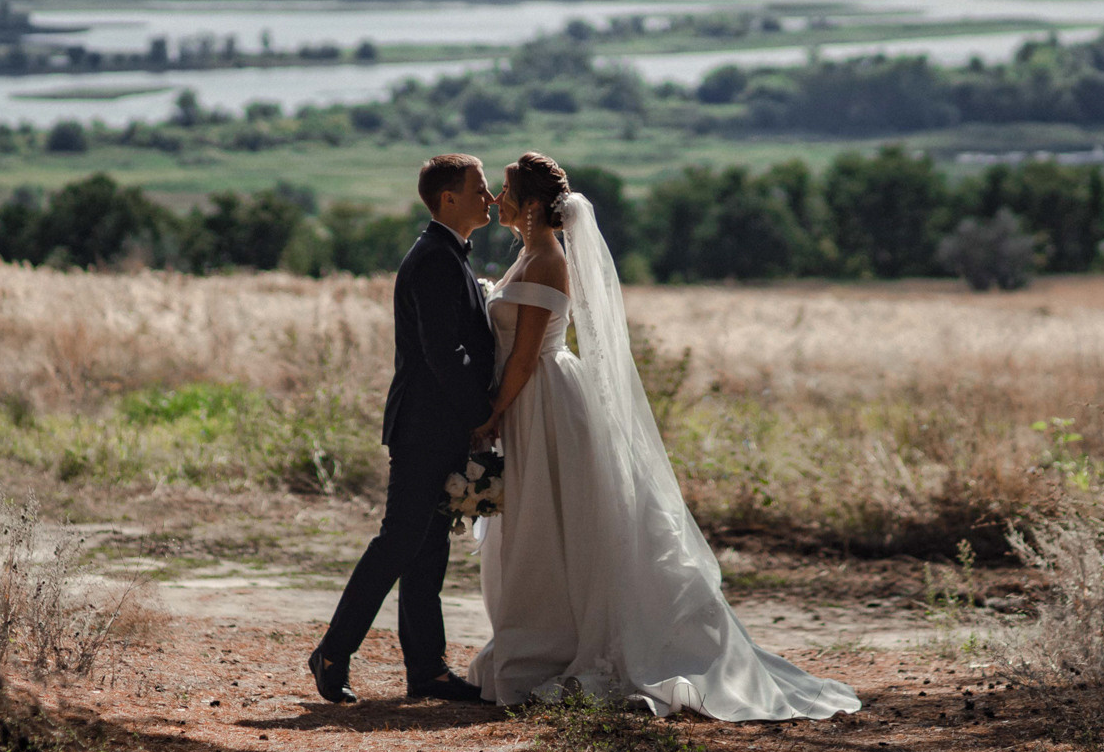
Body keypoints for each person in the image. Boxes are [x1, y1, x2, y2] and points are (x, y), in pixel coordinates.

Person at [469, 151, 861, 722]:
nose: (497, 201)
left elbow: (525, 358)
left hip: (542, 403)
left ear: (530, 205)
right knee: (541, 523)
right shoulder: (531, 255)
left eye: (504, 191)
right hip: (535, 403)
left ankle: (555, 644)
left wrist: (490, 415)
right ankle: (538, 635)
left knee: (554, 520)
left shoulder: (547, 259)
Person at [308, 152, 497, 704]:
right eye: (480, 188)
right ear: (449, 198)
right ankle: (332, 652)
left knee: (428, 548)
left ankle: (427, 671)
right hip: (424, 426)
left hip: (438, 424)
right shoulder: (435, 259)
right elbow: (445, 353)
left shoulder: (448, 254)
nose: (488, 198)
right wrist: (482, 410)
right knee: (398, 542)